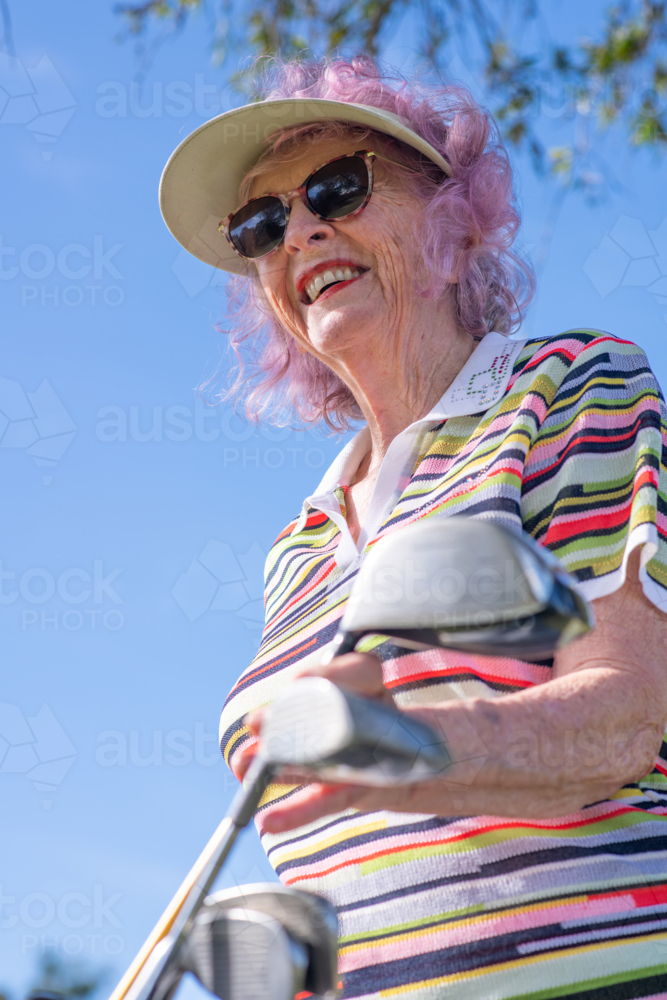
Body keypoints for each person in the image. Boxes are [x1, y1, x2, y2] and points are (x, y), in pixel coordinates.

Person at [160, 56, 667, 1000]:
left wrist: (400, 749)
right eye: (261, 224)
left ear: (451, 212)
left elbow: (623, 720)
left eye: (337, 188)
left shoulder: (565, 386)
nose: (300, 230)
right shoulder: (298, 545)